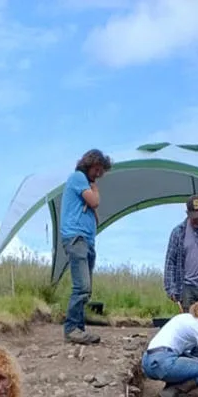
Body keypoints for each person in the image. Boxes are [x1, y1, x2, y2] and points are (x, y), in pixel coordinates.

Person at [60, 148, 112, 346]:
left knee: (86, 288)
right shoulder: (78, 178)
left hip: (86, 239)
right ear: (90, 164)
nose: (99, 175)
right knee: (81, 286)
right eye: (97, 169)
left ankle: (79, 329)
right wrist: (95, 189)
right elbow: (95, 202)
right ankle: (72, 328)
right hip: (77, 237)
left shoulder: (83, 181)